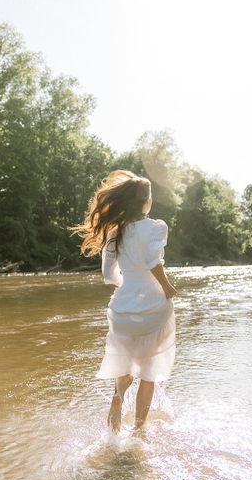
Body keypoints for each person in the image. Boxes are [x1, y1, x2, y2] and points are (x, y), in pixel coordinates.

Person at [70, 169, 178, 434]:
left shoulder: (114, 232)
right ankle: (139, 432)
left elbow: (109, 275)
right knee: (149, 372)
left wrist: (129, 285)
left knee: (126, 367)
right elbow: (154, 261)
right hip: (154, 308)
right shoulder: (156, 227)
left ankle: (116, 405)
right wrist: (167, 287)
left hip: (122, 310)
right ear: (146, 202)